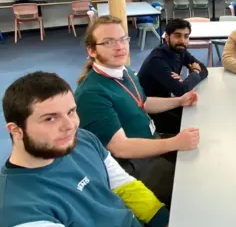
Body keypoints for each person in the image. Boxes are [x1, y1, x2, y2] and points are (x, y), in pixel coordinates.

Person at [0, 72, 169, 227]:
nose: (70, 126)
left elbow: (126, 187)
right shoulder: (19, 211)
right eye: (50, 118)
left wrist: (166, 221)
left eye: (71, 111)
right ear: (16, 130)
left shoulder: (83, 139)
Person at [74, 15, 200, 208]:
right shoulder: (91, 94)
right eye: (108, 42)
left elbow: (143, 102)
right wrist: (174, 142)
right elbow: (121, 148)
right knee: (193, 189)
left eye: (123, 39)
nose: (119, 46)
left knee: (201, 157)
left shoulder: (125, 72)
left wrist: (179, 100)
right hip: (136, 164)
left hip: (153, 141)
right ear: (92, 50)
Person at [138, 19, 208, 134]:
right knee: (196, 126)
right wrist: (194, 72)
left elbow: (204, 69)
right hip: (151, 112)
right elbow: (181, 90)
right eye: (177, 36)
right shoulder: (157, 60)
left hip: (168, 101)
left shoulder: (180, 51)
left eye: (186, 36)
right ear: (167, 37)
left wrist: (185, 81)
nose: (182, 40)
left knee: (201, 113)